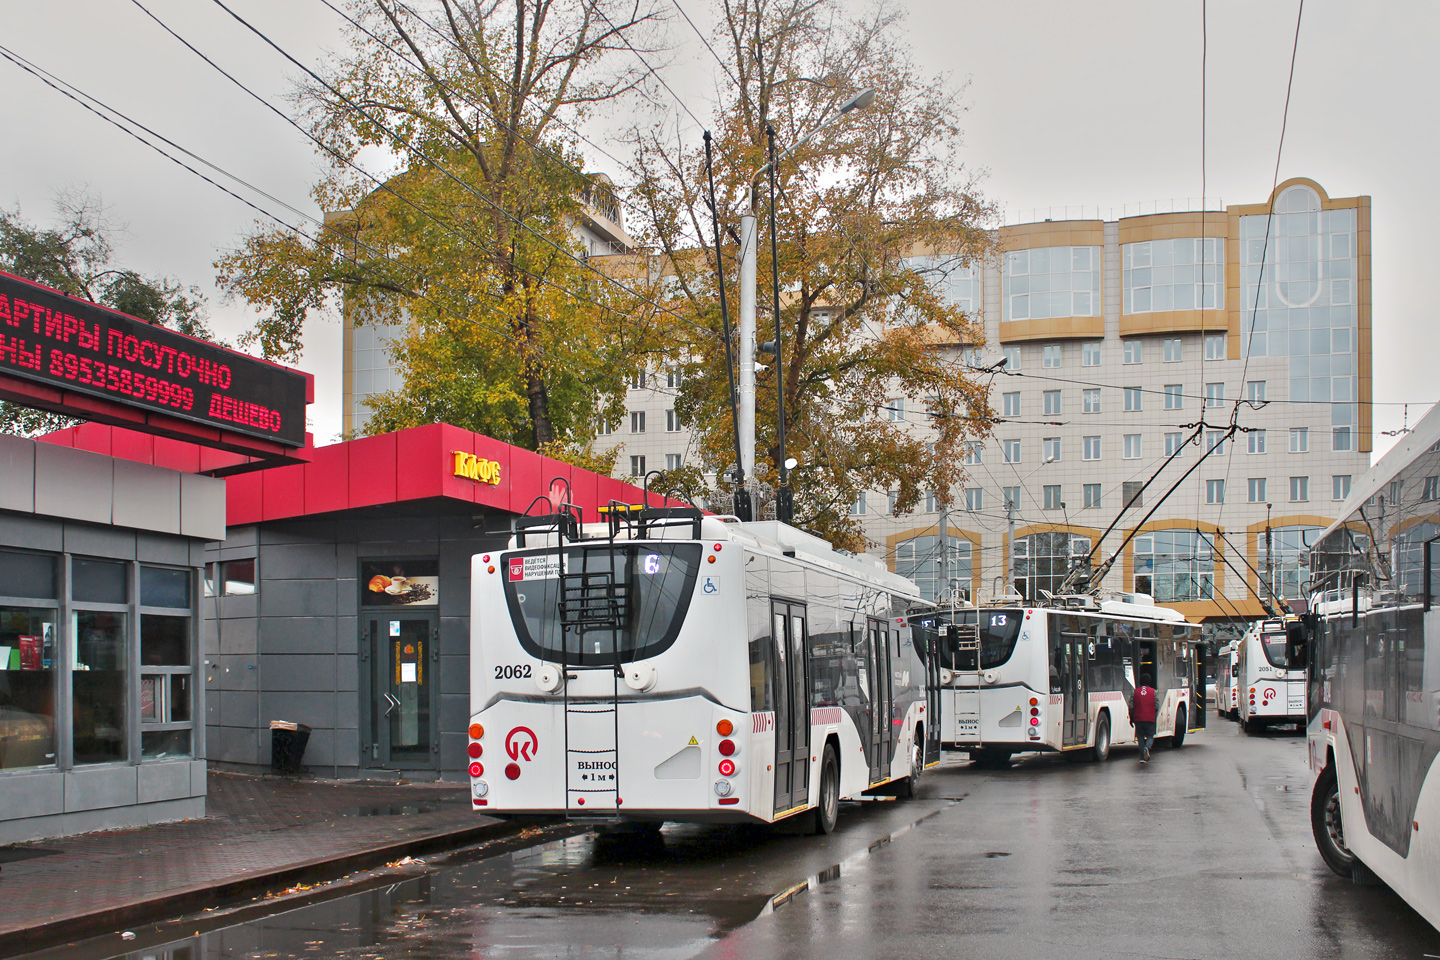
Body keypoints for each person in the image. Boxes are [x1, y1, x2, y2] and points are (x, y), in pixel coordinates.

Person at [1130, 673, 1158, 762]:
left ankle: (1142, 757)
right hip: (1150, 718)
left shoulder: (1135, 692)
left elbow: (1131, 706)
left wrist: (1131, 718)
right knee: (1150, 736)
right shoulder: (1154, 692)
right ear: (1149, 681)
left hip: (1138, 719)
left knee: (1140, 737)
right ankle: (1147, 747)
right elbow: (1157, 706)